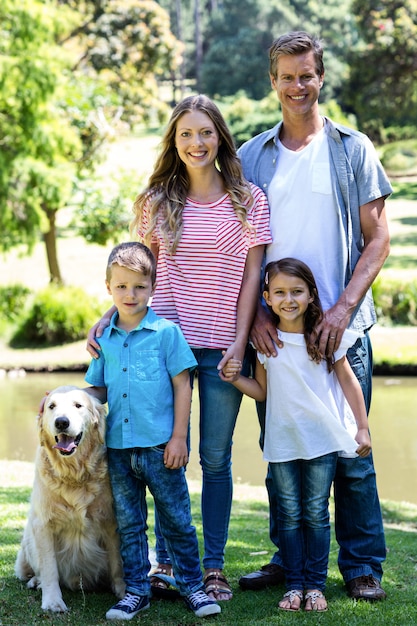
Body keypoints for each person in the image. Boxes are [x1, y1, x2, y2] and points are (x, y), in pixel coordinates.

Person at [87, 95, 272, 601]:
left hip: (220, 349)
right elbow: (135, 274)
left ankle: (211, 569)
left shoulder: (248, 201)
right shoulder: (156, 201)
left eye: (206, 132)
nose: (196, 143)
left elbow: (252, 275)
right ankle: (166, 564)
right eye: (186, 134)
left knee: (214, 459)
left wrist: (239, 343)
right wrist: (110, 314)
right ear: (174, 140)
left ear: (220, 138)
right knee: (163, 457)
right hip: (160, 349)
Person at [233, 31, 392, 600]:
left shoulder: (354, 149)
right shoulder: (251, 157)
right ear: (272, 81)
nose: (297, 86)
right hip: (277, 335)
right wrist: (252, 320)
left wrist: (343, 308)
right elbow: (239, 249)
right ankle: (289, 558)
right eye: (287, 76)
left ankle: (362, 565)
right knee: (283, 451)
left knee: (351, 451)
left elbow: (378, 240)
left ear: (320, 78)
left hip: (342, 328)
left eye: (307, 75)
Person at [221, 258, 372, 612]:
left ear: (310, 295)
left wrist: (362, 426)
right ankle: (294, 586)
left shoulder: (323, 337)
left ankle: (315, 587)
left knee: (316, 512)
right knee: (289, 513)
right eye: (280, 293)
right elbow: (262, 391)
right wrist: (235, 378)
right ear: (267, 298)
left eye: (297, 292)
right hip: (283, 440)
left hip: (321, 439)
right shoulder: (266, 343)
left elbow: (349, 381)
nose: (289, 299)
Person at [84, 242, 221, 620]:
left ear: (153, 286)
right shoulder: (104, 340)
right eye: (122, 286)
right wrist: (67, 397)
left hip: (162, 447)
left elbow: (183, 385)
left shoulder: (166, 333)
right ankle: (137, 591)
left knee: (176, 520)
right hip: (119, 449)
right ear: (108, 287)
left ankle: (193, 587)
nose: (130, 295)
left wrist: (179, 437)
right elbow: (98, 391)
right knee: (129, 524)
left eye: (139, 287)